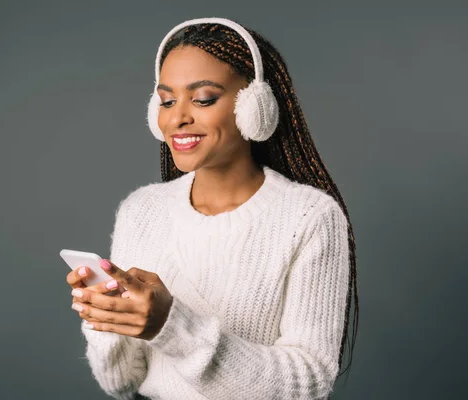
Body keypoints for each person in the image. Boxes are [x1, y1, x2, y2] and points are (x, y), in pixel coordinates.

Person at [66, 17, 359, 400]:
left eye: (203, 99)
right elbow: (121, 383)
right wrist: (105, 320)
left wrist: (170, 326)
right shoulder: (141, 211)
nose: (177, 117)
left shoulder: (310, 217)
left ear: (254, 106)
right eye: (167, 100)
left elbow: (308, 383)